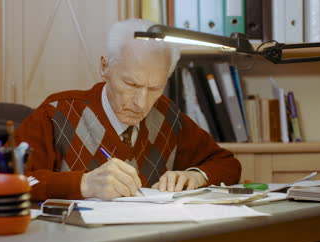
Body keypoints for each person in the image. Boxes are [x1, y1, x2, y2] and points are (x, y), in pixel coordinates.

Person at [14, 19, 241, 201]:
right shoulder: (56, 113)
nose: (141, 103)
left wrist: (196, 176)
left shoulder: (167, 116)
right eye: (131, 84)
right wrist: (83, 184)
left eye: (155, 88)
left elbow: (228, 164)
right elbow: (2, 182)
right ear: (105, 68)